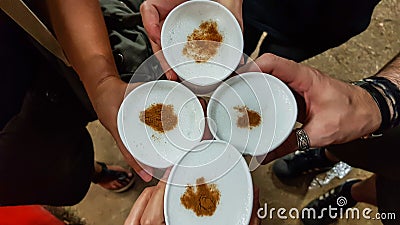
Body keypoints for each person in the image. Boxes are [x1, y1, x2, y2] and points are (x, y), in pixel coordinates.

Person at [0, 0, 153, 205]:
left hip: (38, 50)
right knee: (65, 177)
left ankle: (95, 171)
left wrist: (102, 82)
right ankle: (95, 172)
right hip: (10, 146)